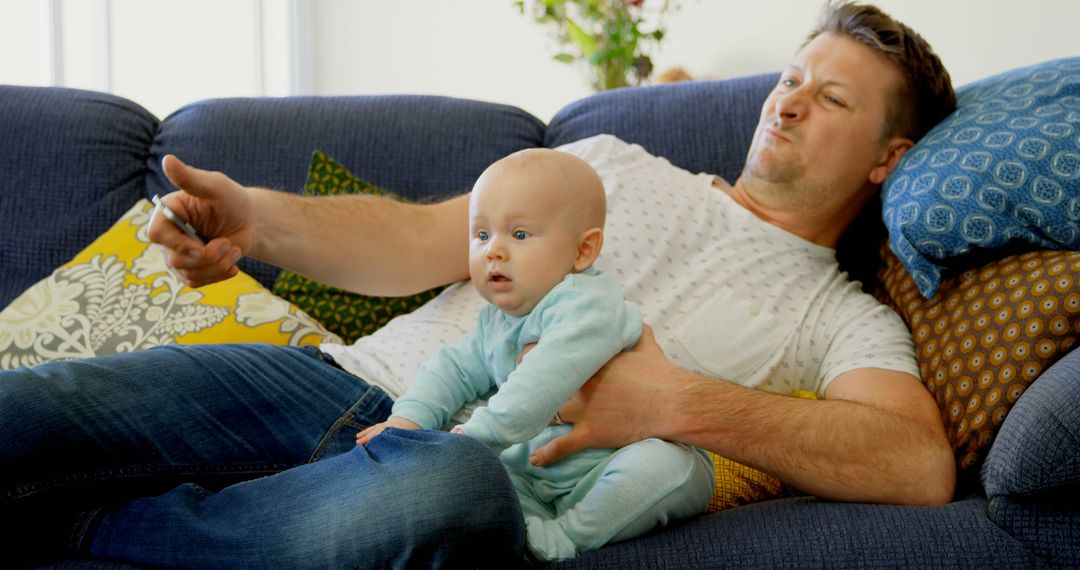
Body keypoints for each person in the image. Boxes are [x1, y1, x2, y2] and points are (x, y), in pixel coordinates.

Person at [0, 2, 959, 567]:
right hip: (339, 382)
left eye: (831, 97)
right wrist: (261, 219)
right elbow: (424, 237)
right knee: (35, 407)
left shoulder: (838, 314)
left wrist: (682, 404)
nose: (787, 99)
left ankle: (90, 524)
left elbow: (917, 465)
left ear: (890, 158)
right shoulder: (613, 164)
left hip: (456, 467)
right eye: (791, 76)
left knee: (445, 497)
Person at [354, 148, 714, 561]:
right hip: (536, 476)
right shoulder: (495, 319)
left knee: (668, 468)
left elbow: (538, 386)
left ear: (582, 251)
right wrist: (410, 419)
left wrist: (468, 443)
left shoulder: (587, 305)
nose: (494, 251)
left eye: (519, 235)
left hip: (614, 463)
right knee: (492, 480)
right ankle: (524, 529)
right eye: (482, 235)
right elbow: (453, 368)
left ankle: (566, 537)